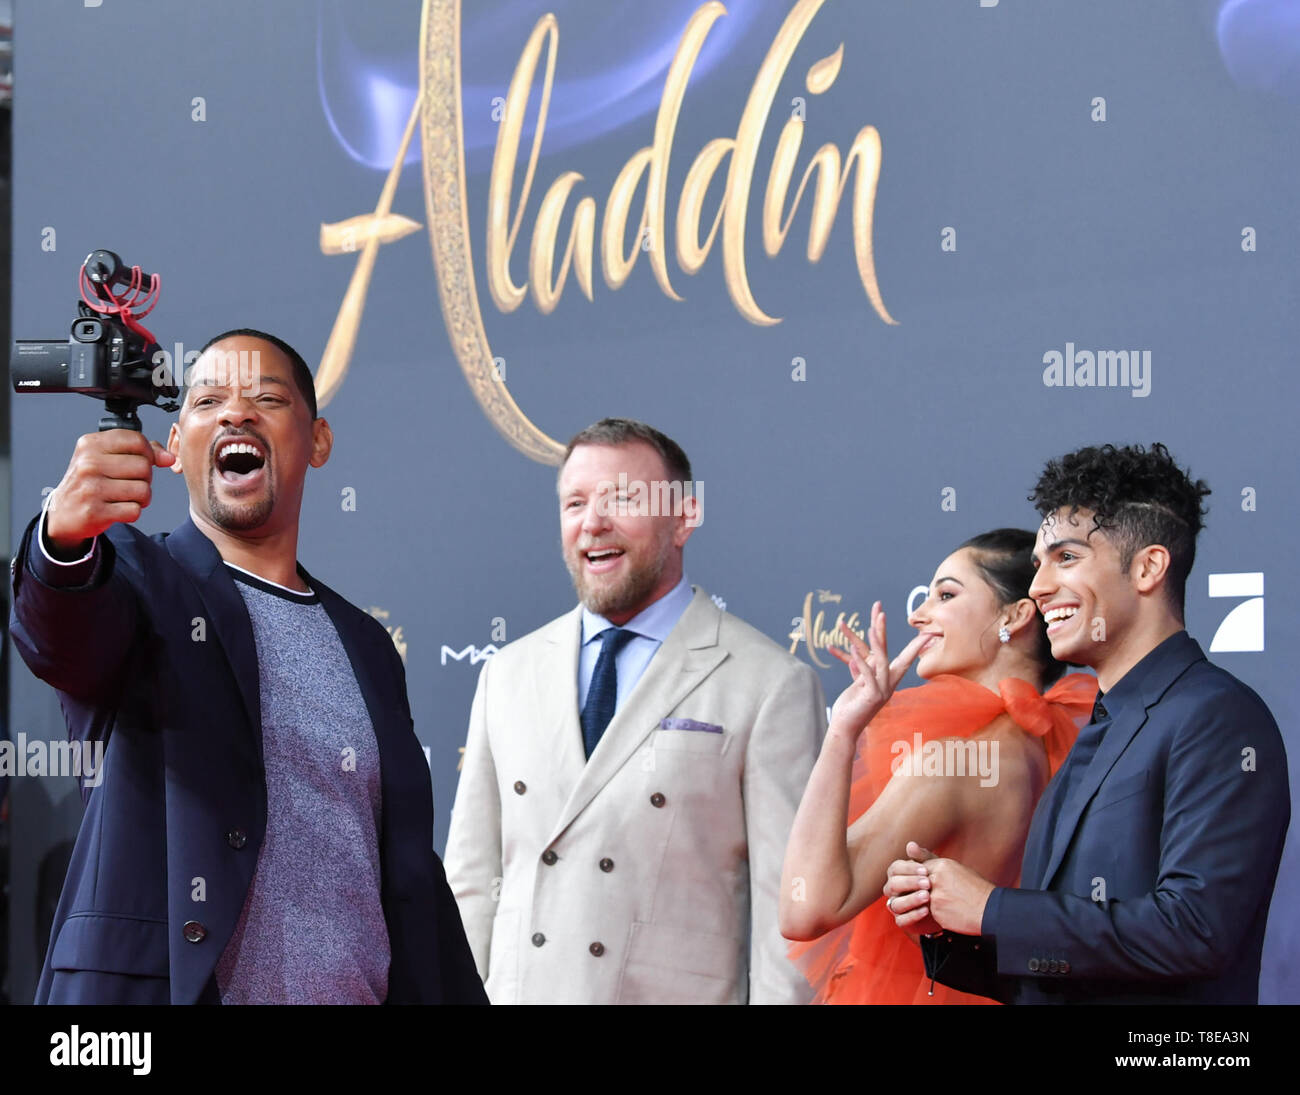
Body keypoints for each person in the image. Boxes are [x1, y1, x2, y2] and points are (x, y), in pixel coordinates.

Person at [10, 329, 486, 1005]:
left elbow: (410, 877)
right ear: (175, 446)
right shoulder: (136, 578)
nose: (237, 414)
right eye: (208, 401)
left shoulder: (367, 644)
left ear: (317, 440)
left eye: (267, 397)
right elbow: (58, 634)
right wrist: (60, 540)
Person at [885, 443, 1291, 1004]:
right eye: (1038, 564)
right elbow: (1072, 967)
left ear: (1148, 567)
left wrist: (991, 908)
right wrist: (952, 931)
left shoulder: (1217, 716)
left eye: (1067, 558)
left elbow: (1195, 932)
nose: (1037, 588)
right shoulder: (1099, 726)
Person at [443, 417, 825, 1004]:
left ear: (684, 517)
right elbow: (470, 883)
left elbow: (789, 915)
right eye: (574, 502)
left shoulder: (769, 684)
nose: (592, 522)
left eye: (621, 498)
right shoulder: (507, 674)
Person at [780, 529, 1096, 1003]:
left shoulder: (951, 761)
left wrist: (842, 732)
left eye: (946, 594)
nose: (918, 614)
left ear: (1016, 614)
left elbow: (804, 910)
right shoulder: (1048, 743)